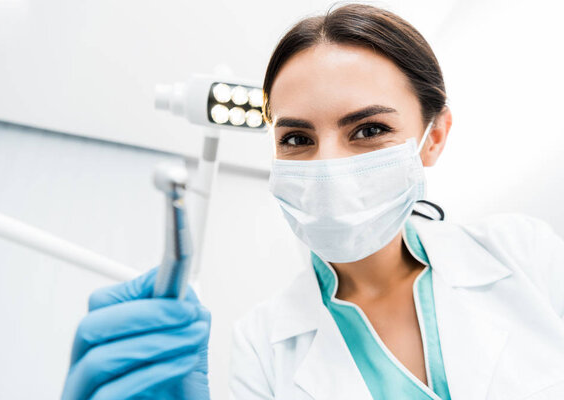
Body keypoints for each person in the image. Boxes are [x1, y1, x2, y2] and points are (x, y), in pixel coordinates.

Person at [61, 3, 564, 399]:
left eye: (369, 129)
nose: (328, 167)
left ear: (433, 138)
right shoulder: (262, 344)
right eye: (298, 139)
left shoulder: (523, 254)